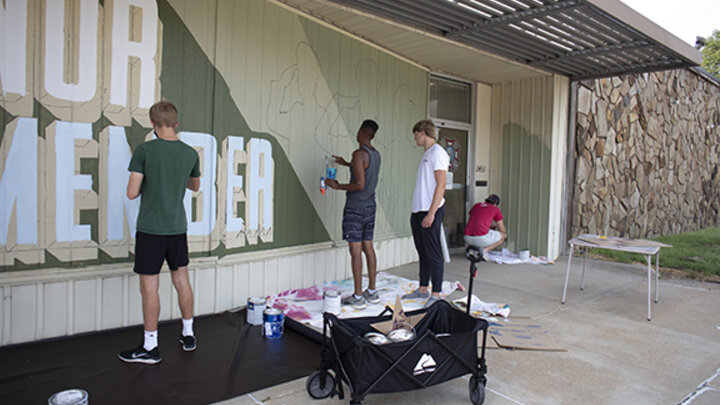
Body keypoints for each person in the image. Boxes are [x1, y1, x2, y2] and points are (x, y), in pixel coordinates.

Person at [118, 101, 201, 364]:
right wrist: (174, 179)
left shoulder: (144, 150)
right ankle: (188, 335)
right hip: (177, 229)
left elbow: (132, 192)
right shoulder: (190, 153)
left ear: (153, 125)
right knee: (182, 281)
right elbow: (195, 186)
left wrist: (152, 178)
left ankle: (150, 347)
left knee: (149, 287)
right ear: (176, 123)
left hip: (152, 231)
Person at [326, 120, 381, 309]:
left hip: (355, 208)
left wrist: (337, 185)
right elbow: (363, 169)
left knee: (356, 251)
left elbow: (359, 184)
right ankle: (372, 291)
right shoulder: (375, 155)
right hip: (370, 207)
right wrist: (346, 164)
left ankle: (358, 297)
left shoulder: (359, 154)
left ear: (362, 132)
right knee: (368, 247)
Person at [402, 119, 449, 308]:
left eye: (415, 134)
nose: (415, 138)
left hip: (430, 210)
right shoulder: (427, 154)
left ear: (423, 132)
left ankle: (436, 293)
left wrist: (431, 213)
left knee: (433, 252)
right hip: (418, 210)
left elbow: (442, 185)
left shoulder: (438, 153)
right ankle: (423, 288)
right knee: (423, 251)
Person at [464, 194, 507, 261]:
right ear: (495, 203)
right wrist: (503, 233)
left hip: (467, 237)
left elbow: (476, 221)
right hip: (480, 239)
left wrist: (489, 227)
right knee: (503, 236)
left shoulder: (476, 205)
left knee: (487, 232)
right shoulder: (495, 209)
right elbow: (501, 229)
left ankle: (474, 251)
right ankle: (483, 251)